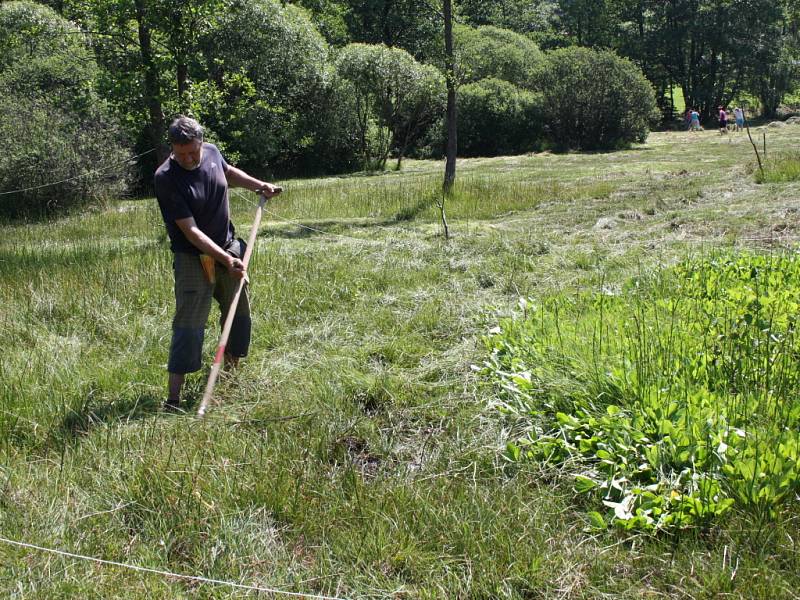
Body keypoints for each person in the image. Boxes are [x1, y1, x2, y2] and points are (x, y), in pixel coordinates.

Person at [154, 116, 281, 411]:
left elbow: (227, 172)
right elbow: (191, 231)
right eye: (180, 153)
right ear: (172, 147)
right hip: (193, 257)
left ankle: (231, 377)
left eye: (193, 152)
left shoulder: (211, 151)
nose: (188, 158)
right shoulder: (165, 178)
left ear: (201, 143)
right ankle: (174, 399)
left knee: (238, 312)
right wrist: (226, 260)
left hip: (228, 246)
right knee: (189, 323)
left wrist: (258, 185)